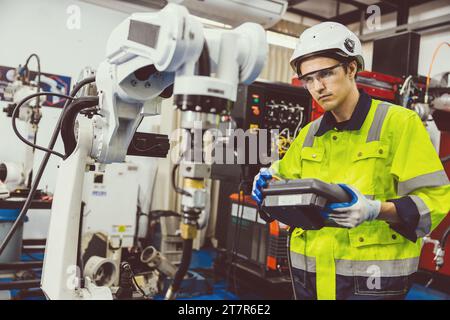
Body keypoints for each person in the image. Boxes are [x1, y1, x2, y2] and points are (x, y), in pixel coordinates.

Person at [251, 22, 450, 300]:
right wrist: (266, 187)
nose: (318, 87)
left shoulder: (399, 124)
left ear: (351, 68)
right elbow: (282, 186)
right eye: (308, 79)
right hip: (308, 278)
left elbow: (435, 200)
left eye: (326, 73)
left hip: (370, 281)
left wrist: (376, 210)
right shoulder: (308, 134)